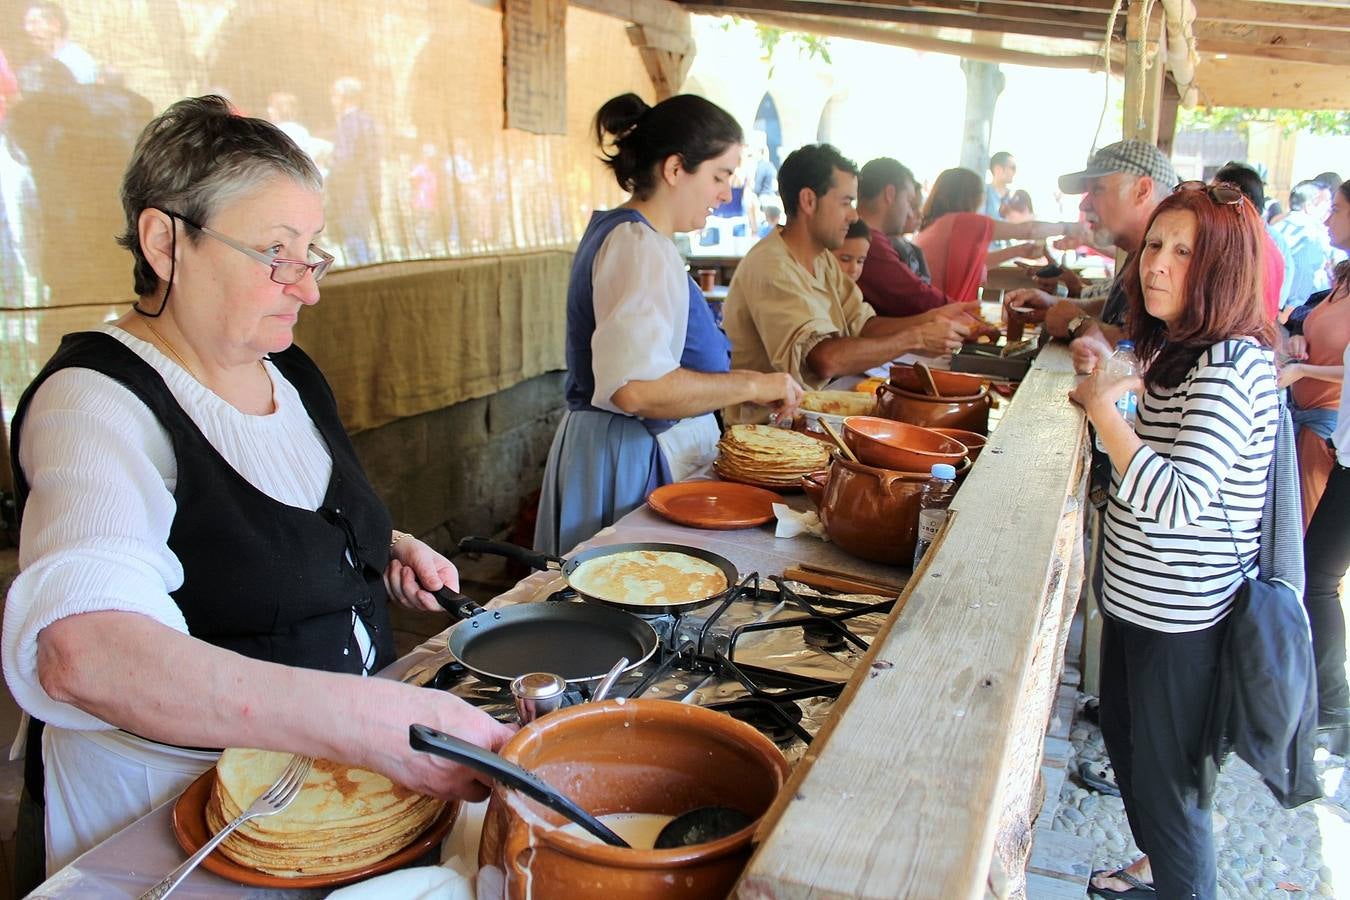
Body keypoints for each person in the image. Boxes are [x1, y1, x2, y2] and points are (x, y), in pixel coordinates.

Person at [0, 96, 514, 878]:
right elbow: (86, 652)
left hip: (318, 795)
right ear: (164, 240)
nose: (306, 287)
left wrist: (386, 545)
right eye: (276, 252)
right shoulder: (93, 403)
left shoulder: (287, 370)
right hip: (179, 814)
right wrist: (365, 719)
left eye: (312, 251)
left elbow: (288, 520)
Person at [1069, 182, 1279, 898]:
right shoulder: (1183, 352)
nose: (1155, 264)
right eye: (1155, 244)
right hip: (1140, 608)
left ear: (1220, 269)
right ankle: (1157, 866)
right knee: (1137, 763)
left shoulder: (1229, 366)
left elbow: (1180, 502)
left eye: (1183, 253)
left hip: (1182, 623)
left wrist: (1105, 412)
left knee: (1169, 793)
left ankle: (1178, 879)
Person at [534, 93, 803, 557]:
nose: (725, 193)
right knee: (622, 589)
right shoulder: (637, 244)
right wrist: (753, 385)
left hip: (623, 449)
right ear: (676, 169)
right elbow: (638, 389)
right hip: (625, 456)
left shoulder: (640, 239)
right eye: (719, 176)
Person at [721, 144, 982, 425]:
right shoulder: (772, 265)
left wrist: (930, 320)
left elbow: (865, 326)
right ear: (809, 201)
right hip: (766, 429)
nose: (855, 216)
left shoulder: (822, 260)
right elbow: (826, 359)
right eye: (846, 202)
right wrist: (916, 338)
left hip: (812, 414)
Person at [1007, 140, 1178, 355]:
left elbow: (1148, 350)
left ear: (1142, 190)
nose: (1084, 204)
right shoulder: (1138, 251)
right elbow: (1118, 312)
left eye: (1097, 189)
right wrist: (1056, 303)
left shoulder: (1173, 262)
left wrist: (1076, 323)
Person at [1281, 179, 1349, 528]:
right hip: (1305, 421)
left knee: (1311, 542)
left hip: (1328, 430)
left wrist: (1305, 372)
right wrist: (1300, 341)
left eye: (1336, 211)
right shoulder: (1341, 282)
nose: (1327, 221)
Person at [913, 167, 1075, 302]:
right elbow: (1029, 230)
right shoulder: (962, 222)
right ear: (974, 197)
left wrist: (1017, 251)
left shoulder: (939, 225)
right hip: (941, 318)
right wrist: (1068, 228)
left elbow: (975, 262)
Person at [854, 157, 948, 316]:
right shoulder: (869, 241)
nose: (910, 213)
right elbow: (915, 297)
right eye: (909, 201)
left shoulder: (871, 238)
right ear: (889, 194)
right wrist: (970, 312)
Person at [1213, 161, 1289, 321]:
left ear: (1239, 201)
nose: (1209, 205)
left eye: (1215, 196)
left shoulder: (1242, 247)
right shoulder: (1266, 242)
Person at [1274, 180, 1334, 308]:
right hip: (1294, 312)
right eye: (1326, 203)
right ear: (1309, 206)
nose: (1329, 209)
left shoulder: (1276, 227)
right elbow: (1302, 275)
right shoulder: (1310, 234)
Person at [23, 2, 96, 85]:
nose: (28, 29)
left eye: (34, 23)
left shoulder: (77, 61)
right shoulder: (36, 64)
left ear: (55, 25)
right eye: (26, 24)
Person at [984, 150, 1015, 220]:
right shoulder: (983, 193)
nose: (1015, 172)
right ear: (998, 169)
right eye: (1012, 168)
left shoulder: (1014, 197)